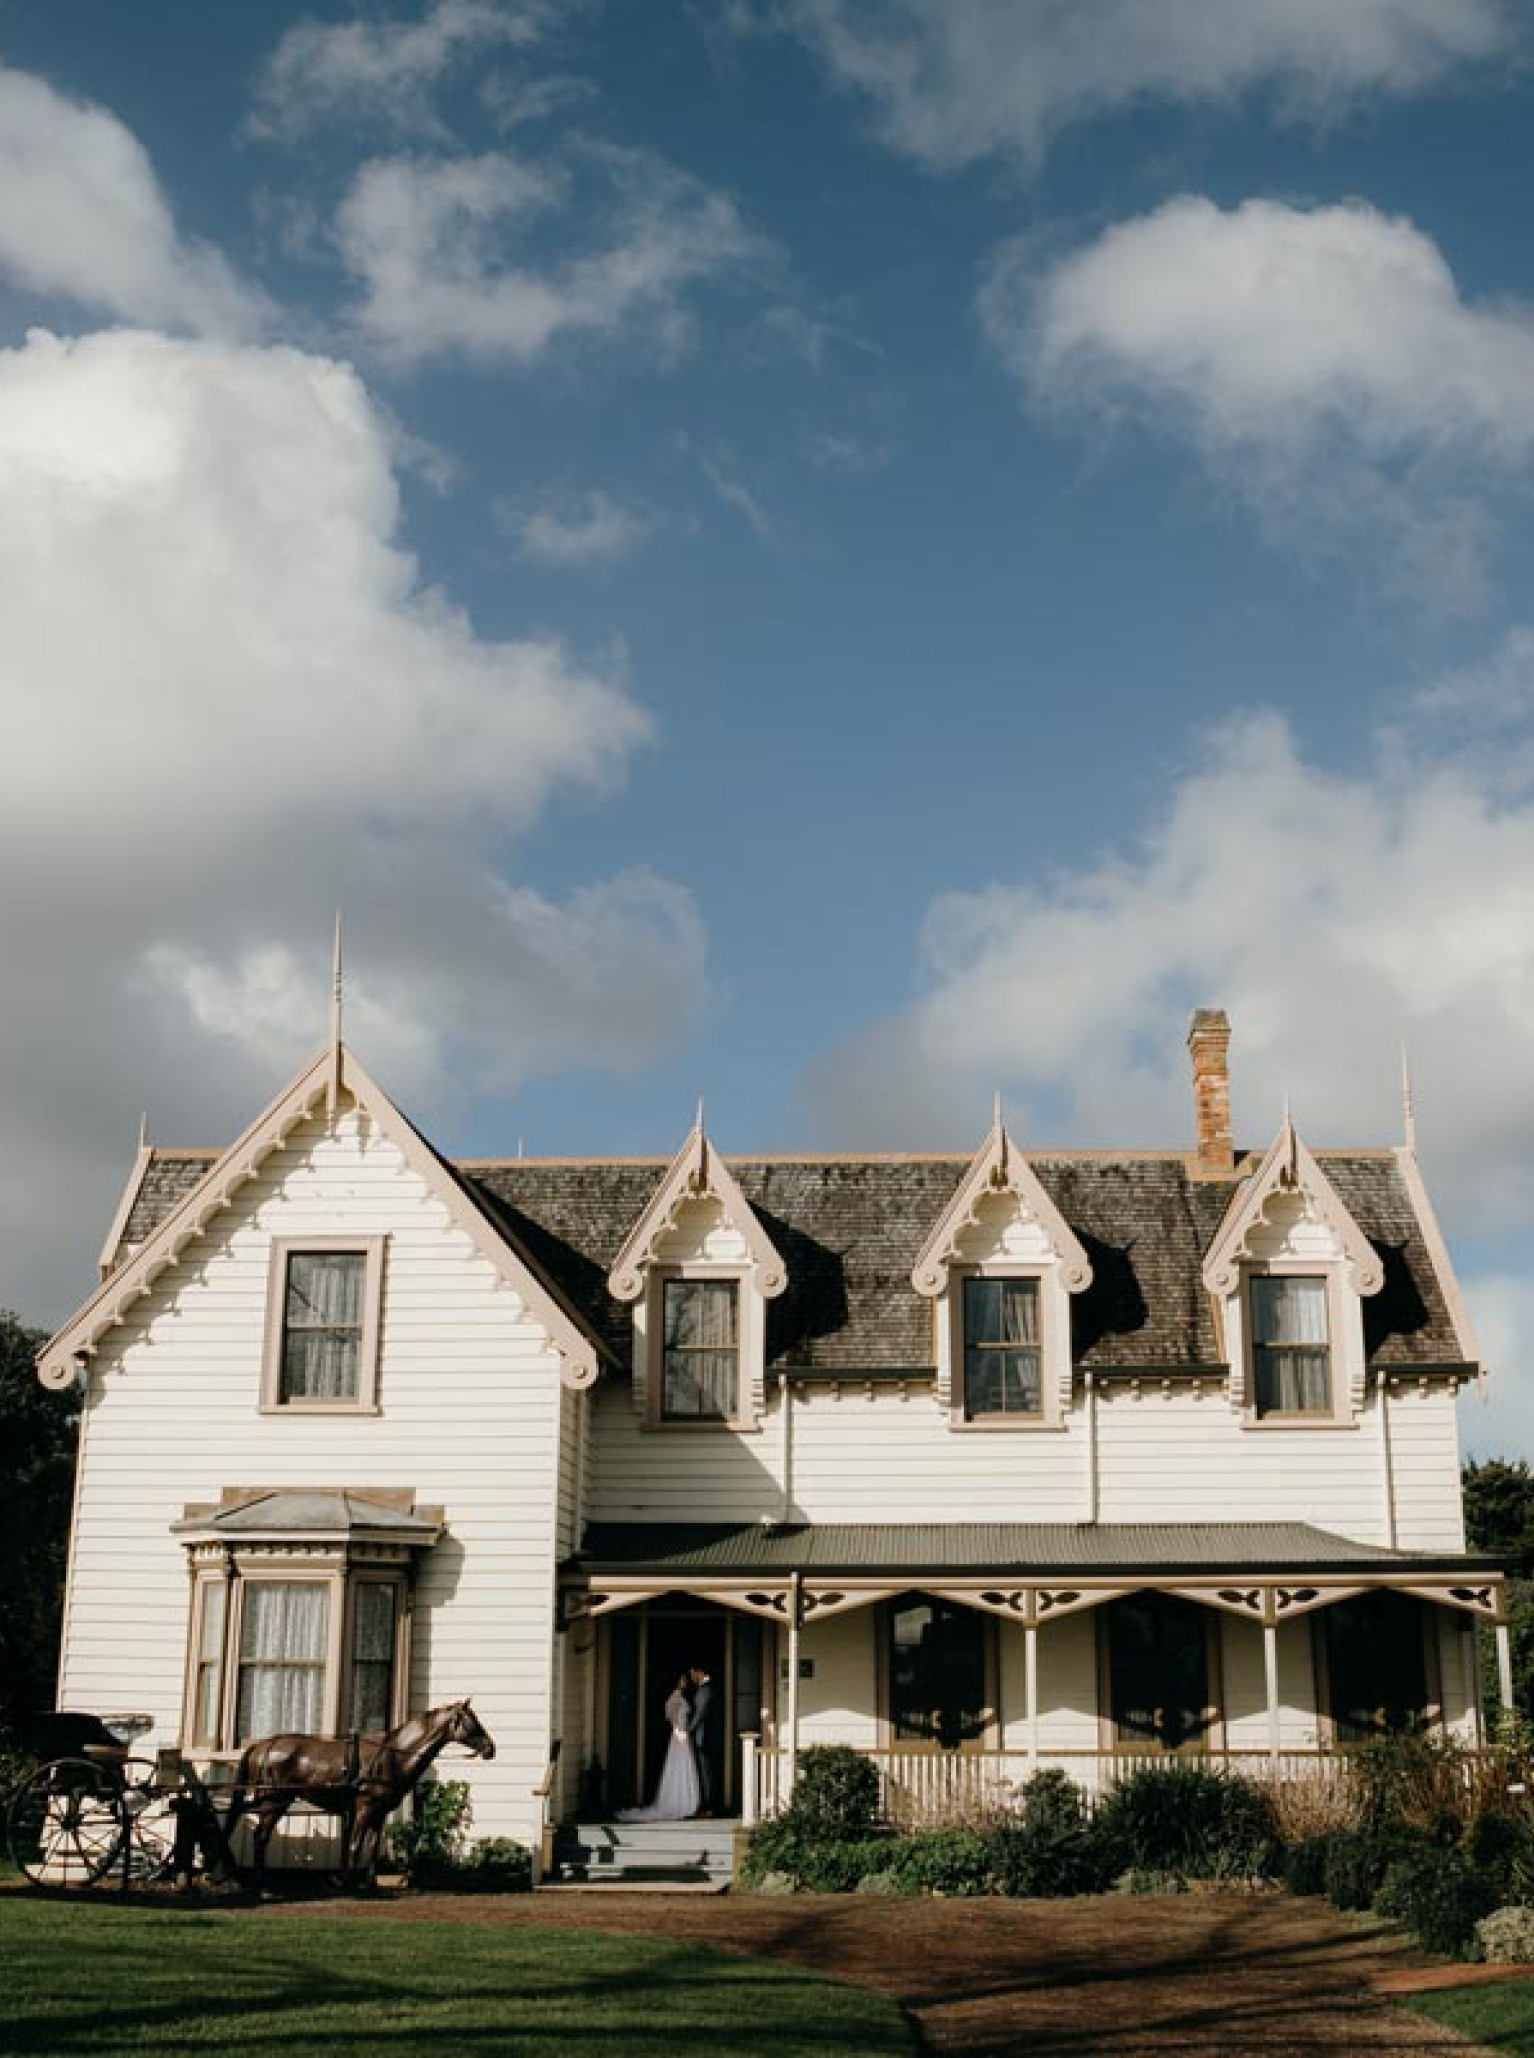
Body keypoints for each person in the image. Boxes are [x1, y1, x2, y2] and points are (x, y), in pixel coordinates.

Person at [616, 1672, 699, 1822]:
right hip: (679, 1735)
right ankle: (677, 1803)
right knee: (678, 1766)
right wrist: (678, 1732)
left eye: (685, 1680)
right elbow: (673, 1718)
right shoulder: (675, 1697)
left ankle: (686, 1801)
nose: (684, 1682)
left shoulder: (681, 1696)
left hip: (684, 1735)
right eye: (682, 1679)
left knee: (684, 1767)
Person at [689, 1664, 715, 1817]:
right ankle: (706, 1805)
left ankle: (709, 1808)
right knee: (705, 1773)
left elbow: (700, 1713)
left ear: (699, 1671)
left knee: (707, 1774)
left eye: (692, 1674)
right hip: (702, 1737)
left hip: (706, 1738)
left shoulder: (706, 1689)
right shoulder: (702, 1688)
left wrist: (689, 1729)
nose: (691, 1678)